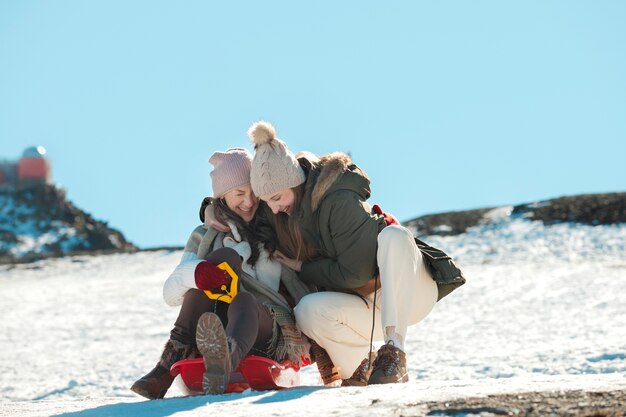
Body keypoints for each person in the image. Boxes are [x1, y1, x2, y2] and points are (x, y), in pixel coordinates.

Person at [247, 121, 466, 386]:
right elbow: (243, 213)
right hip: (364, 307)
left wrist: (303, 267)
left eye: (277, 197)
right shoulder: (288, 213)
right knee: (307, 311)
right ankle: (361, 368)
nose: (273, 207)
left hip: (407, 291)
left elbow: (355, 272)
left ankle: (394, 351)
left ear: (294, 182)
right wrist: (214, 211)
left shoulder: (336, 199)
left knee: (393, 236)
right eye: (267, 201)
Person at [131, 148, 313, 399]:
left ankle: (225, 360)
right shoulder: (203, 235)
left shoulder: (275, 228)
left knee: (244, 300)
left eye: (253, 194)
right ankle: (168, 365)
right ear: (221, 196)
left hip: (265, 326)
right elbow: (170, 294)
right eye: (239, 193)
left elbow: (300, 285)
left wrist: (323, 346)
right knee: (210, 270)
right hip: (216, 321)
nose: (249, 202)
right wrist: (198, 273)